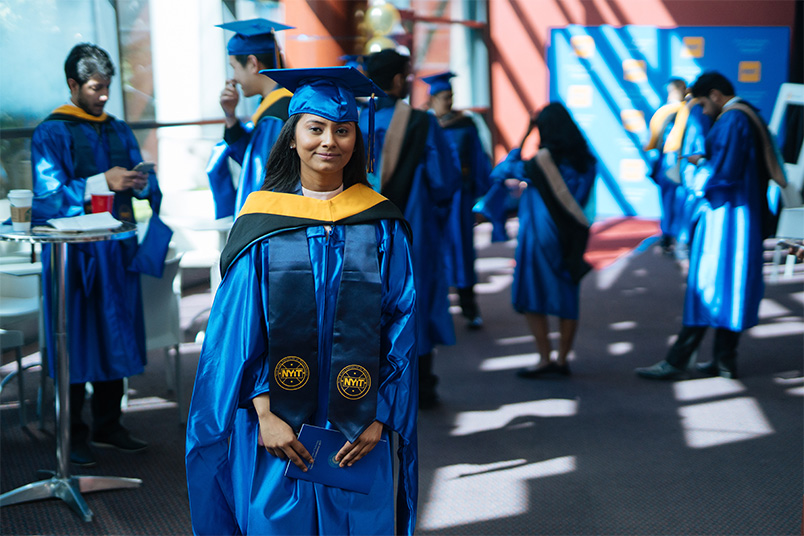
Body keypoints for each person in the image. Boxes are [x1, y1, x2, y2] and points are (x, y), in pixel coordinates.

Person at [185, 66, 419, 536]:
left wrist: (380, 414)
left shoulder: (380, 223)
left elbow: (402, 322)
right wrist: (265, 412)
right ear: (293, 137)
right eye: (316, 129)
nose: (329, 141)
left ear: (357, 139)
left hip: (358, 429)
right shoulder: (263, 224)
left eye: (342, 130)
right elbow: (236, 335)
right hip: (277, 430)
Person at [31, 43, 168, 466]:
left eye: (107, 86)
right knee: (74, 340)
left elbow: (141, 180)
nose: (104, 95)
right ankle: (73, 432)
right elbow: (47, 199)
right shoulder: (51, 132)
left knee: (116, 336)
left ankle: (110, 424)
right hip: (75, 257)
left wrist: (142, 183)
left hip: (117, 251)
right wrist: (99, 182)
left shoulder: (119, 128)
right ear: (73, 84)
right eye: (95, 87)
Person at [636, 71, 787, 381]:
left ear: (716, 96)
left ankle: (678, 360)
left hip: (727, 217)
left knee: (705, 286)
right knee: (733, 285)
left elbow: (723, 173)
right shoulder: (750, 115)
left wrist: (694, 169)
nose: (703, 112)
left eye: (704, 104)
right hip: (744, 216)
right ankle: (724, 360)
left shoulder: (733, 120)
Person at [360, 49, 461, 408]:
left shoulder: (354, 120)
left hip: (361, 231)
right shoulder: (421, 123)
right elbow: (444, 181)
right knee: (414, 300)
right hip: (411, 227)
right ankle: (421, 385)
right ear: (400, 80)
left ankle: (367, 385)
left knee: (366, 301)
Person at [482, 103, 596, 378]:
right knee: (567, 294)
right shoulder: (586, 162)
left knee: (533, 294)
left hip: (539, 236)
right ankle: (563, 359)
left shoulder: (537, 165)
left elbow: (500, 172)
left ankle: (545, 358)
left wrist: (523, 138)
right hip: (571, 235)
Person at [422, 71, 492, 330]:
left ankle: (469, 307)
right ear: (431, 99)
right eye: (443, 96)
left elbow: (478, 161)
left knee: (462, 251)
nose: (449, 101)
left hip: (458, 199)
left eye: (450, 96)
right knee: (432, 252)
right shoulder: (422, 125)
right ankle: (434, 311)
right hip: (430, 199)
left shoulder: (465, 125)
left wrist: (479, 197)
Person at [206, 18, 293, 219]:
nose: (233, 78)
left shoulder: (276, 115)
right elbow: (250, 158)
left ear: (253, 63)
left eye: (234, 67)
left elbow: (261, 174)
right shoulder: (271, 105)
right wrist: (230, 117)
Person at [645, 78, 689, 256]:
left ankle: (668, 236)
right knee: (680, 199)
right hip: (683, 159)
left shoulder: (665, 111)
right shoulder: (690, 109)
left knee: (669, 199)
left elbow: (653, 139)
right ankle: (679, 237)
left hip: (669, 159)